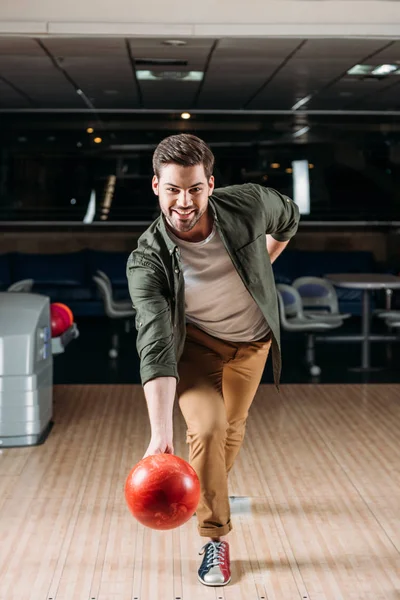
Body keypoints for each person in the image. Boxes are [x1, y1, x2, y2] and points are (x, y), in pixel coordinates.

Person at [126, 133, 300, 587]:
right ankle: (214, 537)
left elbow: (290, 217)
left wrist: (263, 263)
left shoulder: (251, 205)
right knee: (206, 428)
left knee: (232, 428)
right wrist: (160, 436)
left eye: (195, 188)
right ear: (155, 187)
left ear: (211, 183)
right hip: (197, 347)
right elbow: (157, 343)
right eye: (172, 189)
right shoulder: (147, 260)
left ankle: (211, 487)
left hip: (253, 343)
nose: (184, 202)